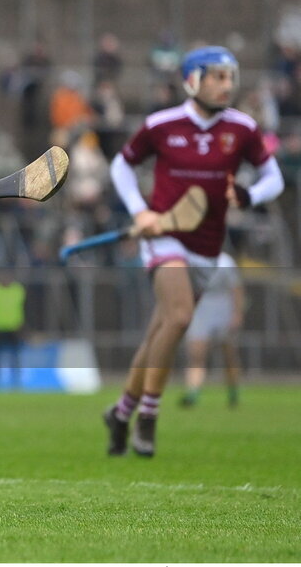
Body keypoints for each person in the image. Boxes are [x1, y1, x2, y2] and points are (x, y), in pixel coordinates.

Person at [103, 46, 284, 457]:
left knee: (158, 334)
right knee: (181, 317)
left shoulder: (242, 128)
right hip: (164, 237)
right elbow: (121, 166)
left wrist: (249, 194)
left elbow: (274, 177)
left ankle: (120, 411)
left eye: (230, 76)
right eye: (216, 76)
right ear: (191, 80)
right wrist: (140, 211)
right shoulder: (162, 124)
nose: (226, 85)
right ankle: (148, 416)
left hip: (208, 245)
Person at [180, 252, 244, 409]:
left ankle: (233, 391)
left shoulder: (226, 261)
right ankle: (193, 392)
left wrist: (237, 313)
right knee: (196, 354)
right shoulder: (191, 258)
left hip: (223, 307)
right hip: (201, 308)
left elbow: (236, 288)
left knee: (229, 355)